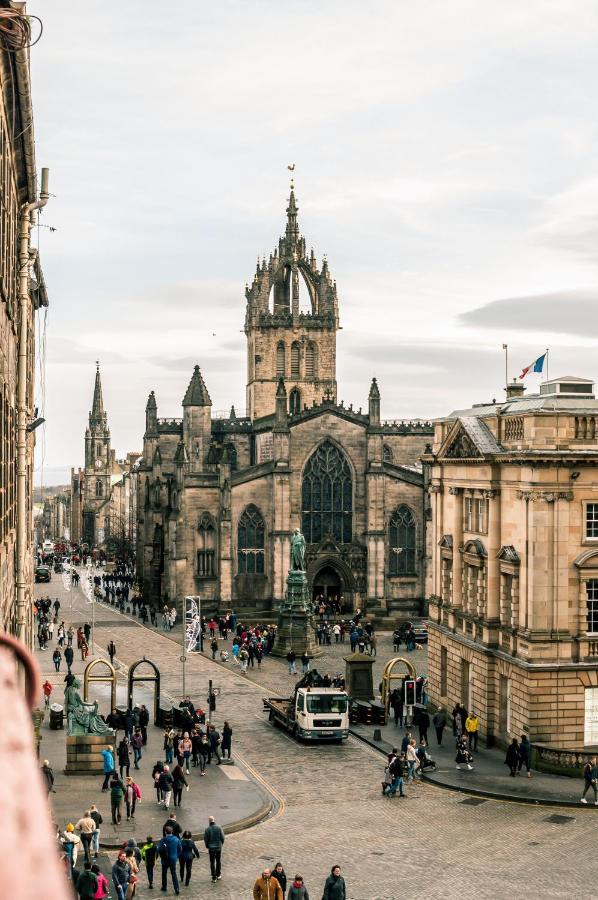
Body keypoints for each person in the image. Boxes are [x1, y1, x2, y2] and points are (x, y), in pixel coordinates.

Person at [157, 826, 182, 895]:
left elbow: (159, 849)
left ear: (165, 832)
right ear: (172, 831)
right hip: (173, 859)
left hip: (165, 859)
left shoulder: (163, 840)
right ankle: (176, 888)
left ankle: (164, 886)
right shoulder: (176, 839)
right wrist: (177, 856)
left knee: (164, 873)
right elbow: (180, 849)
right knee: (174, 873)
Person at [203, 815, 225, 883]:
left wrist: (207, 846)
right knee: (218, 861)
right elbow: (223, 837)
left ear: (209, 821)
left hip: (211, 848)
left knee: (212, 862)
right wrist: (221, 844)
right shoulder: (219, 828)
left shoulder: (207, 829)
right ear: (214, 820)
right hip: (218, 847)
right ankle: (218, 874)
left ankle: (214, 877)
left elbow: (206, 839)